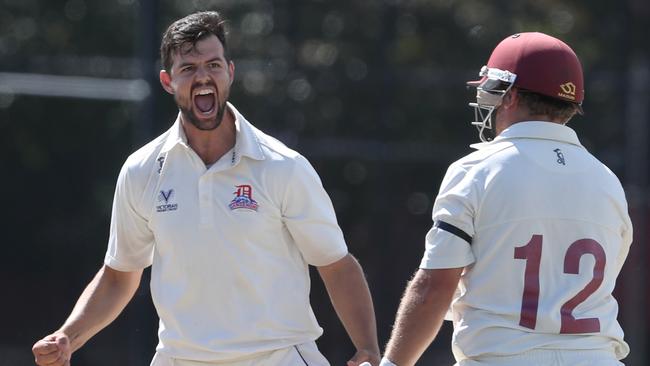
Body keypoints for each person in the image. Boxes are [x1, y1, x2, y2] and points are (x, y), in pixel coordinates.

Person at [32, 11, 380, 366]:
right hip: (178, 359)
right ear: (168, 81)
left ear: (230, 72)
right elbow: (120, 275)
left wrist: (368, 348)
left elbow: (336, 265)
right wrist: (67, 337)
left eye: (213, 65)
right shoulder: (142, 170)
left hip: (278, 358)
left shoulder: (282, 167)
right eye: (188, 68)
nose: (203, 76)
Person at [381, 32, 632, 366]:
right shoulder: (607, 181)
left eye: (493, 92)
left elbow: (433, 289)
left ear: (511, 96)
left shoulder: (476, 169)